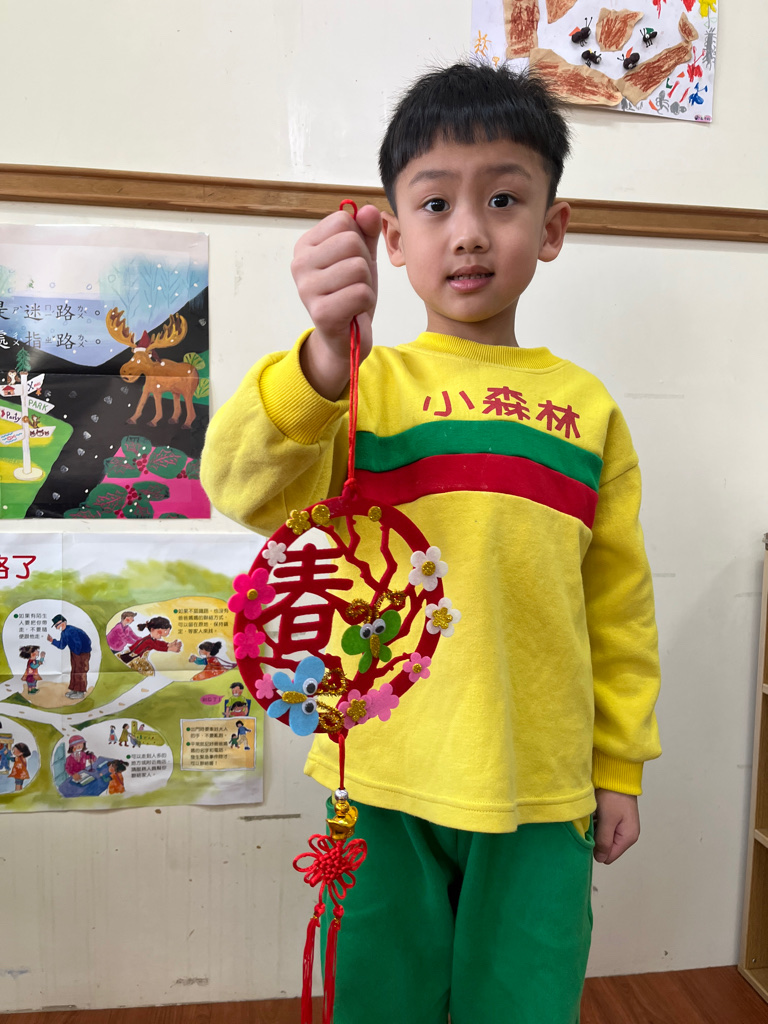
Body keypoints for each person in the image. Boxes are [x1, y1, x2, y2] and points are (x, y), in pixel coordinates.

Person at [199, 62, 662, 1024]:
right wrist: (321, 358)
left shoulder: (587, 412)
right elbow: (239, 487)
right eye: (436, 203)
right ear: (395, 236)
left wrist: (618, 768)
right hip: (380, 774)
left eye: (504, 199)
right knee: (381, 999)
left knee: (523, 1002)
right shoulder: (359, 383)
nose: (469, 231)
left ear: (552, 228)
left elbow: (618, 611)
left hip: (541, 786)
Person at [47, 614, 92, 699]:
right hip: (75, 652)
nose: (56, 628)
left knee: (80, 671)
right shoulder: (64, 633)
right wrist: (52, 641)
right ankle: (74, 689)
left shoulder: (71, 630)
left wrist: (77, 653)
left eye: (56, 625)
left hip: (82, 653)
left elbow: (78, 643)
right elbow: (62, 645)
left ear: (62, 623)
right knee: (74, 670)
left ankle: (80, 692)